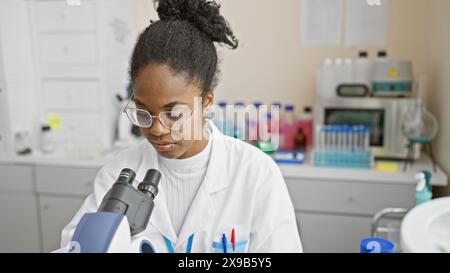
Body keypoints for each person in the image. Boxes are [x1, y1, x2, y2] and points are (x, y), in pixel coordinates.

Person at [61, 0, 302, 253]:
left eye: (174, 114)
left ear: (206, 101)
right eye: (144, 112)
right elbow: (74, 245)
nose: (156, 129)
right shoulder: (118, 173)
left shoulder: (255, 174)